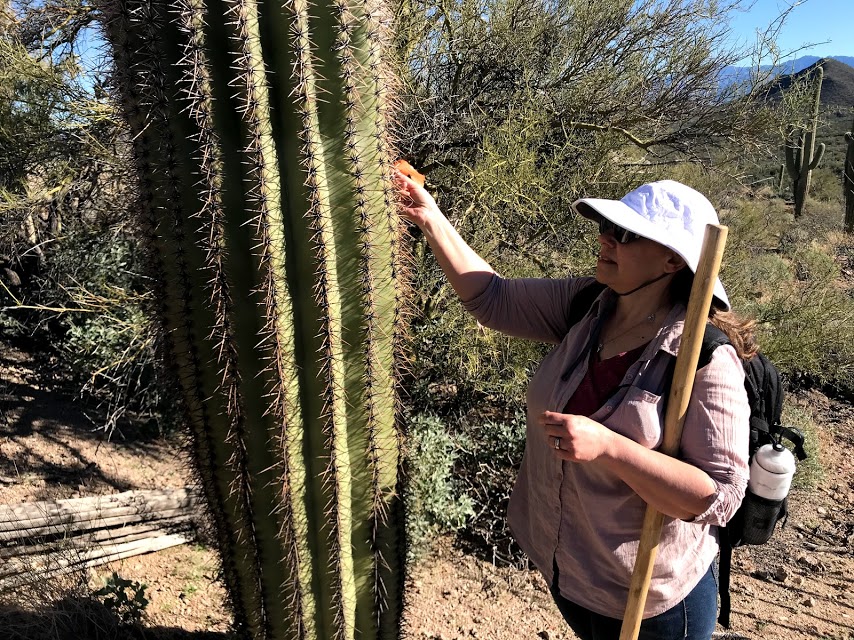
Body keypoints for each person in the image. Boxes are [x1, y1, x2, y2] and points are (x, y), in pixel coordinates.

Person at [394, 174, 752, 640]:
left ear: (671, 260)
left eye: (625, 234)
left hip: (648, 605)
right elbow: (493, 299)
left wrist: (610, 448)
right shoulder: (587, 304)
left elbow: (719, 495)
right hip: (570, 571)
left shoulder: (703, 356)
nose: (606, 238)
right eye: (607, 225)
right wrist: (429, 216)